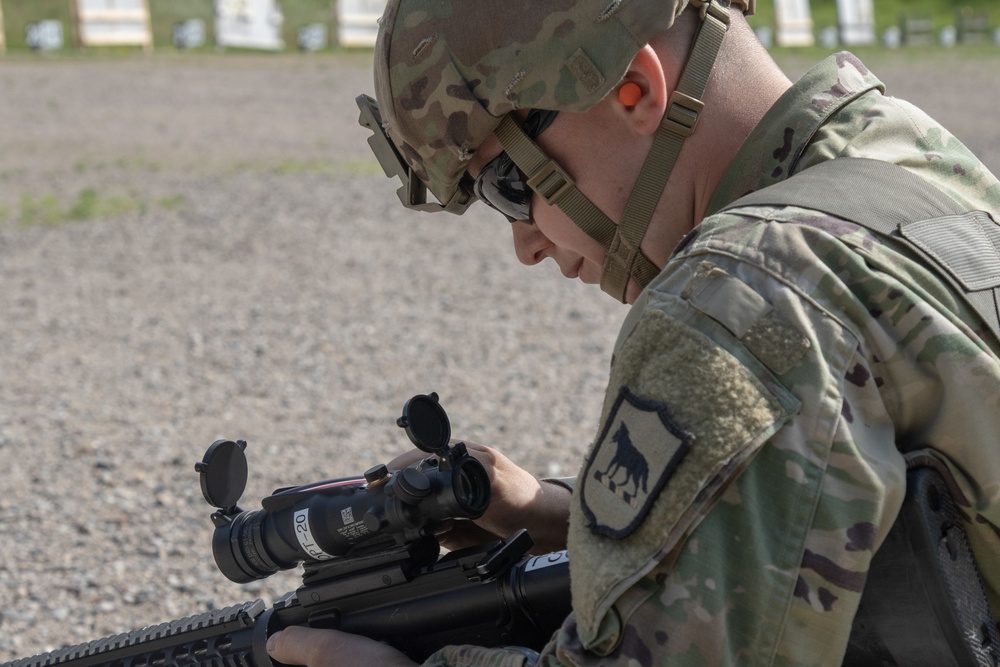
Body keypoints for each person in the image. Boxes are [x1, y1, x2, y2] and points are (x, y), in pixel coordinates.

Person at [267, 0, 1000, 664]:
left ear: (637, 90)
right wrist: (566, 522)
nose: (525, 245)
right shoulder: (903, 158)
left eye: (507, 186)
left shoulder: (740, 297)